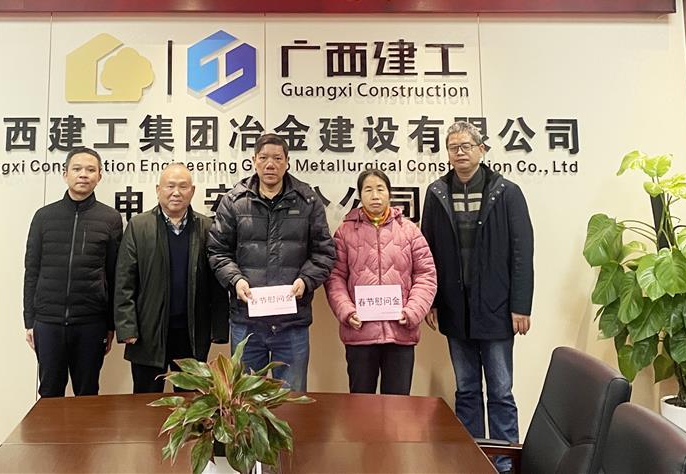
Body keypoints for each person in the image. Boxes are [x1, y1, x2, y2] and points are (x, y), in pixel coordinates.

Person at [421, 121, 534, 472]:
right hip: (455, 307)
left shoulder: (507, 192)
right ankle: (469, 461)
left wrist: (520, 305)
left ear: (481, 149)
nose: (460, 153)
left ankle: (504, 464)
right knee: (467, 389)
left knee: (500, 391)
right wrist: (432, 300)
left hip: (497, 307)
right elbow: (427, 252)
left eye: (466, 146)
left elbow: (522, 252)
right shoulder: (436, 193)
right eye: (453, 147)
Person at [208, 133, 335, 392]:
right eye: (264, 158)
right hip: (246, 322)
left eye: (277, 158)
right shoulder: (234, 201)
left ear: (287, 162)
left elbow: (324, 252)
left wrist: (305, 280)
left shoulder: (308, 200)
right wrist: (236, 280)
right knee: (243, 401)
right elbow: (217, 250)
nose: (270, 164)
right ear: (254, 160)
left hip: (292, 323)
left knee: (291, 402)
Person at [114, 163, 229, 393]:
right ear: (158, 189)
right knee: (145, 401)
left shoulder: (207, 227)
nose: (176, 192)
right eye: (170, 186)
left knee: (191, 402)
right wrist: (127, 327)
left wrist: (218, 328)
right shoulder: (139, 226)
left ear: (192, 191)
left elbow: (217, 284)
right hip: (148, 332)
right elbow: (124, 280)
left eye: (183, 187)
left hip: (192, 332)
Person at [23, 147, 124, 398]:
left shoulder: (110, 218)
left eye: (91, 170)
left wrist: (110, 325)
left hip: (91, 322)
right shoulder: (44, 217)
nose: (83, 174)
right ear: (65, 173)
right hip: (48, 321)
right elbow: (31, 270)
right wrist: (30, 320)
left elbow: (114, 274)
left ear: (99, 176)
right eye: (77, 169)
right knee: (49, 392)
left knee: (87, 393)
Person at [326, 169, 437, 395]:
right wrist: (347, 312)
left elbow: (426, 274)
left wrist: (413, 311)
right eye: (368, 190)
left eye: (380, 189)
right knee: (361, 404)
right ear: (360, 195)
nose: (375, 195)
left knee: (398, 406)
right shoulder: (345, 232)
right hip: (360, 333)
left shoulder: (409, 231)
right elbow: (335, 278)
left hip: (400, 332)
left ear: (389, 193)